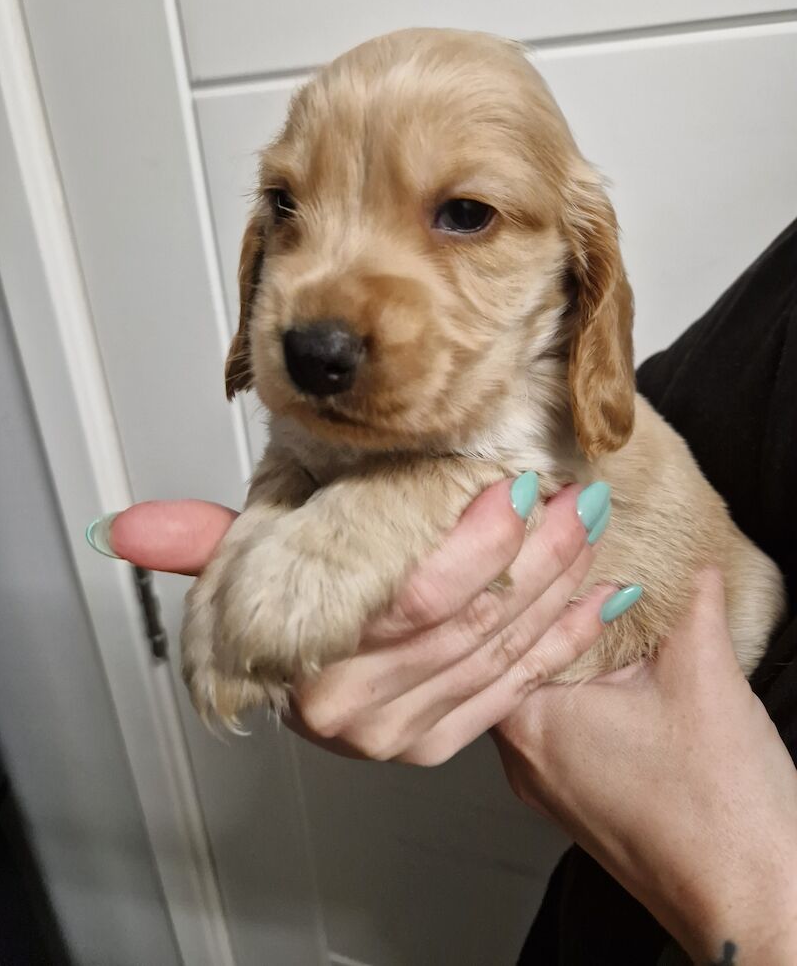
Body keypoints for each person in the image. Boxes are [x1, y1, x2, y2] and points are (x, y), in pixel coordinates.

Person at [87, 219, 797, 964]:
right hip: (598, 910)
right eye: (292, 211)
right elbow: (614, 417)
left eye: (462, 213)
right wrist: (296, 489)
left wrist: (758, 900)